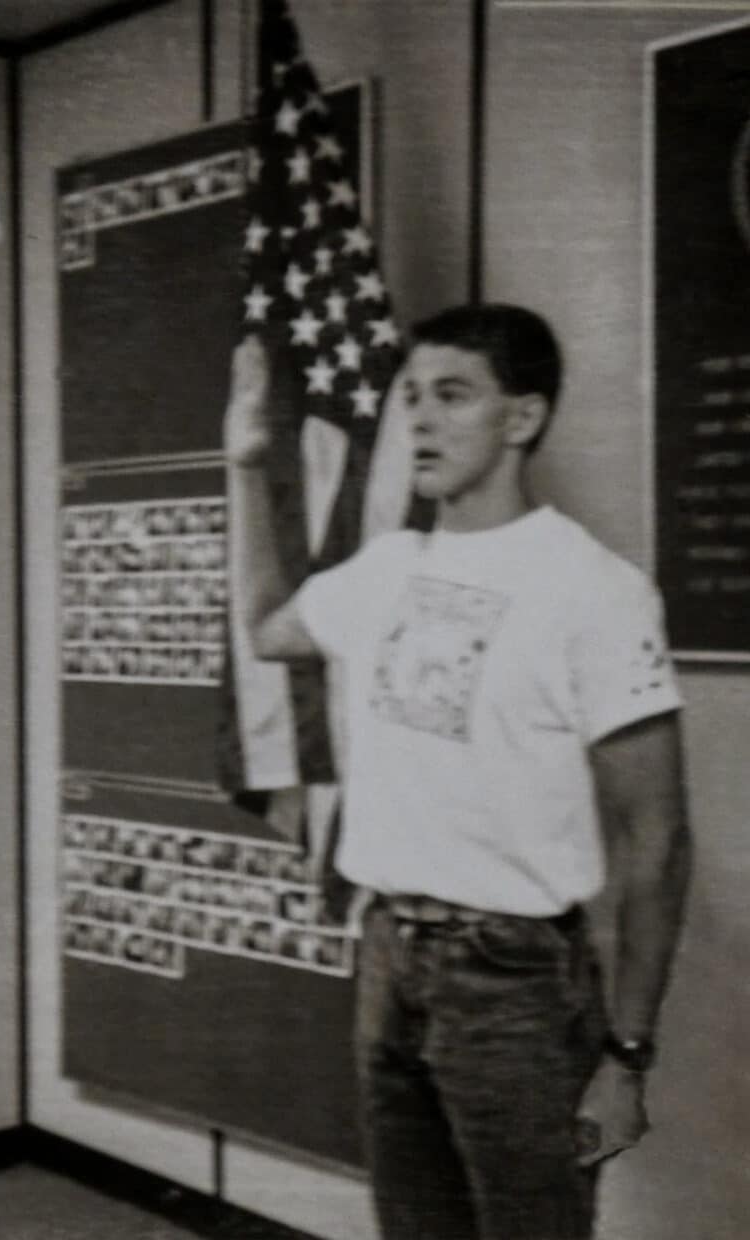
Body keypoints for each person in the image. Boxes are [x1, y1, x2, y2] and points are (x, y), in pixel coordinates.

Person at [225, 304, 692, 1240]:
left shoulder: (593, 589)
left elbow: (660, 837)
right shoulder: (387, 567)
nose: (421, 421)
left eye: (452, 396)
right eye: (410, 398)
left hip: (514, 980)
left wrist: (627, 1054)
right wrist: (242, 465)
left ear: (520, 418)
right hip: (392, 955)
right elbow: (270, 625)